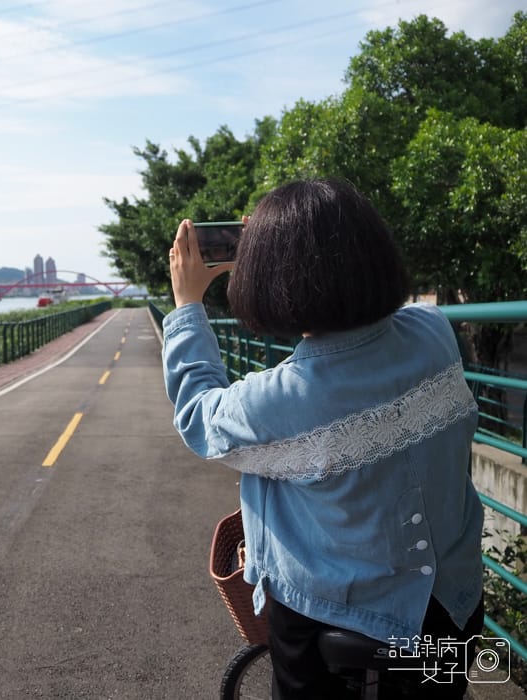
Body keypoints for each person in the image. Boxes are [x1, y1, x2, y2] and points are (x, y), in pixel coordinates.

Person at [161, 178, 484, 699]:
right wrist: (286, 248)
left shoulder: (281, 398)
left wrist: (185, 306)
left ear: (271, 277)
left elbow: (199, 418)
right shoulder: (434, 331)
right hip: (456, 609)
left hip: (337, 624)